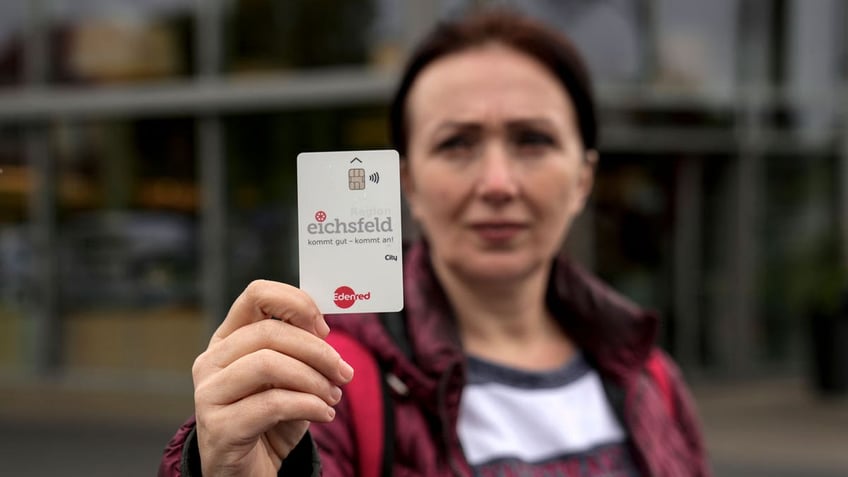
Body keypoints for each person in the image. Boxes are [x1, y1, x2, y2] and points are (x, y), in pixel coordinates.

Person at [160, 9, 710, 477]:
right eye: (457, 144)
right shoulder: (325, 378)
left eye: (533, 140)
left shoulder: (649, 376)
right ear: (409, 185)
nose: (497, 183)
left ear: (583, 179)